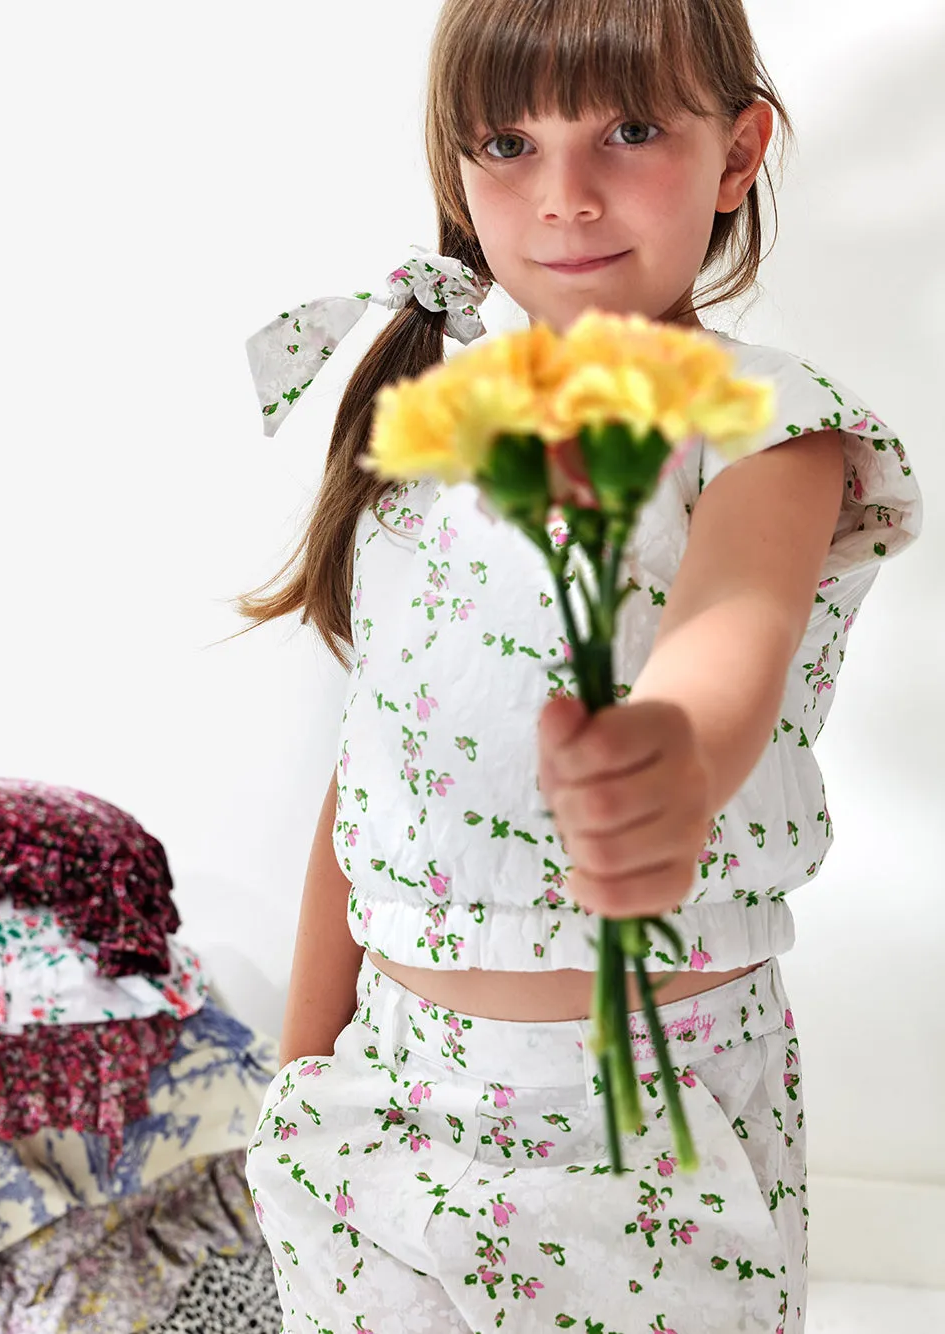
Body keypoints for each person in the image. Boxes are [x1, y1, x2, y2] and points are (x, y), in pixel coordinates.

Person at [236, 1, 924, 1330]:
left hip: (642, 1119)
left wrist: (673, 754)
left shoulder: (773, 427)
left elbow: (732, 640)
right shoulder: (424, 427)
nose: (564, 196)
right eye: (507, 141)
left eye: (626, 128)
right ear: (457, 169)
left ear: (738, 155)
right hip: (387, 1093)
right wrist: (296, 1077)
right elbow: (362, 784)